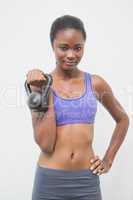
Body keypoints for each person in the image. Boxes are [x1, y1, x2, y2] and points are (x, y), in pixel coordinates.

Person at [25, 15, 129, 200]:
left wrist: (108, 160)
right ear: (53, 46)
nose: (71, 55)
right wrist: (42, 90)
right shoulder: (40, 84)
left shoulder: (95, 83)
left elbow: (123, 119)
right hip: (50, 181)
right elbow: (46, 144)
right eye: (63, 48)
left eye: (78, 48)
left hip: (86, 181)